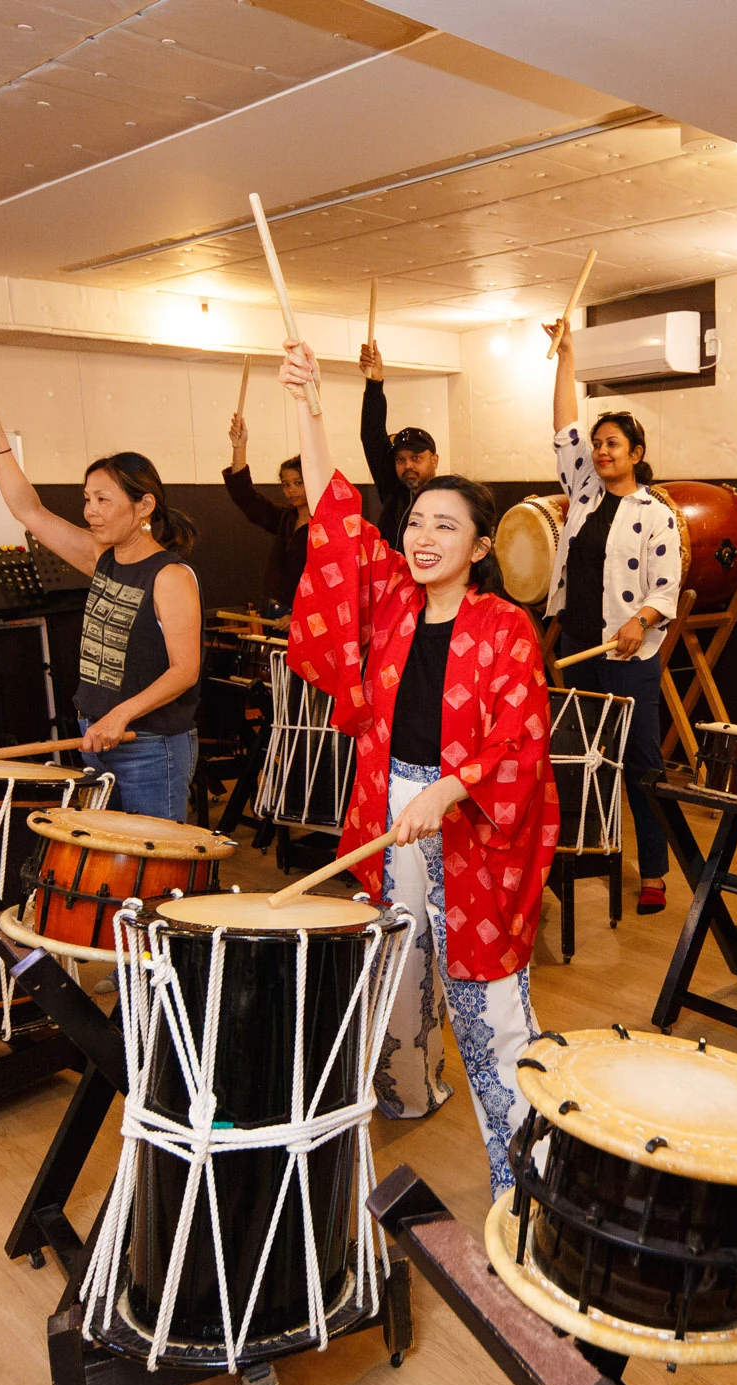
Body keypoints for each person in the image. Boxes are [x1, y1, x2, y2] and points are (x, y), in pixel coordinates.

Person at [280, 341, 557, 1196]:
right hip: (388, 806)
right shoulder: (394, 600)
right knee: (393, 960)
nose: (422, 536)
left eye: (446, 524)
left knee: (488, 995)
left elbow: (519, 738)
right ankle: (409, 1085)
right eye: (415, 521)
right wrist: (313, 409)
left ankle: (531, 1166)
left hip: (471, 819)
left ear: (480, 546)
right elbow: (334, 517)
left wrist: (449, 784)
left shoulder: (504, 627)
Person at [0, 385, 202, 821]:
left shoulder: (170, 576)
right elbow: (28, 510)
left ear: (144, 505)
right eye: (87, 499)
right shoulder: (101, 557)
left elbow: (185, 670)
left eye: (103, 500)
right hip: (97, 734)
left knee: (156, 872)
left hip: (147, 745)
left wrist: (120, 716)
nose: (91, 511)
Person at [546, 323, 680, 914]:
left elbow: (666, 587)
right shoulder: (582, 493)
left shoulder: (657, 514)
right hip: (578, 646)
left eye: (613, 446)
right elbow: (563, 426)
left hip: (627, 656)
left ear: (636, 455)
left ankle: (653, 871)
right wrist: (568, 355)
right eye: (597, 445)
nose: (601, 452)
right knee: (577, 758)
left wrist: (641, 620)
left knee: (641, 762)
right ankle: (578, 856)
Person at [359, 341, 440, 552]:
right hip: (391, 583)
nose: (407, 466)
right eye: (400, 460)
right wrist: (374, 383)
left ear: (434, 459)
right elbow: (372, 435)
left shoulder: (448, 499)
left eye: (416, 458)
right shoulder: (393, 491)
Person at [222, 414, 307, 614]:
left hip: (307, 614)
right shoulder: (286, 517)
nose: (291, 490)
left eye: (298, 483)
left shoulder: (326, 525)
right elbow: (246, 498)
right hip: (276, 608)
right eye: (286, 485)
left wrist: (300, 615)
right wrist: (239, 447)